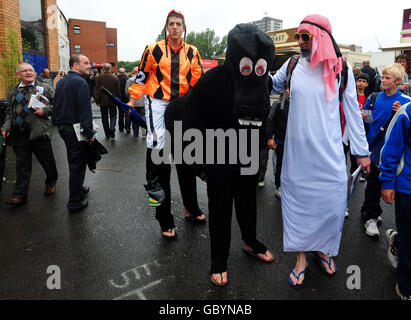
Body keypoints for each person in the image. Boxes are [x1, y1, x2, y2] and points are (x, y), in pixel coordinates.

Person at [271, 14, 371, 288]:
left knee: (333, 205)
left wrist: (362, 153)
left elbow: (352, 112)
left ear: (322, 38)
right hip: (297, 155)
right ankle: (302, 258)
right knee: (298, 206)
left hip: (330, 154)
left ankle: (324, 250)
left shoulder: (343, 70)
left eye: (305, 37)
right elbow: (268, 86)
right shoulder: (292, 65)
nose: (299, 42)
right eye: (298, 36)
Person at [128, 10, 204, 238]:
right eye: (171, 24)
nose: (174, 27)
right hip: (158, 102)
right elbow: (141, 76)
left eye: (178, 24)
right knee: (159, 149)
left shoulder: (192, 51)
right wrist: (132, 100)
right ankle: (164, 218)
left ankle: (191, 206)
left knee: (187, 153)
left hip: (183, 103)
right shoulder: (153, 49)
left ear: (183, 27)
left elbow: (199, 79)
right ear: (166, 27)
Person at [360, 63, 411, 237]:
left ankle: (375, 213)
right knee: (373, 186)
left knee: (393, 190)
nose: (383, 80)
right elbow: (366, 122)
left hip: (395, 156)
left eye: (387, 78)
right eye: (382, 77)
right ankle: (371, 217)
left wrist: (399, 112)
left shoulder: (406, 103)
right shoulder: (373, 98)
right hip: (373, 151)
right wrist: (362, 117)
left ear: (397, 81)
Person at [1, 62, 58, 207]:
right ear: (18, 74)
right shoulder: (13, 91)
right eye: (24, 71)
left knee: (47, 162)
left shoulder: (44, 88)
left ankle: (51, 182)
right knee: (22, 165)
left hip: (39, 132)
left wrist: (44, 111)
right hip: (19, 134)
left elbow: (57, 105)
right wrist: (6, 127)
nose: (28, 72)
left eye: (31, 70)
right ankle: (19, 195)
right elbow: (9, 112)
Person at [53, 54, 95, 214]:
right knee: (77, 164)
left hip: (64, 129)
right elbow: (85, 112)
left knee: (75, 161)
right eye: (85, 63)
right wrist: (89, 133)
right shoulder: (81, 83)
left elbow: (56, 105)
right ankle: (74, 203)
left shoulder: (62, 81)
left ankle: (78, 188)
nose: (89, 65)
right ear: (75, 65)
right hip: (76, 130)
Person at [379, 100, 411, 300]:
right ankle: (406, 287)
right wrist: (387, 182)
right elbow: (391, 148)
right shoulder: (406, 112)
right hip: (408, 189)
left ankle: (396, 240)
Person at [265, 89, 290, 199]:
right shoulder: (278, 103)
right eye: (288, 88)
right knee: (279, 165)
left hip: (295, 143)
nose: (290, 91)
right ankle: (278, 186)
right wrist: (270, 137)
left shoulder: (300, 103)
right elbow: (270, 120)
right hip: (281, 140)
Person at [95, 63, 120, 140]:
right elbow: (118, 91)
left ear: (103, 69)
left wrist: (97, 100)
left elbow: (97, 91)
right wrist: (118, 101)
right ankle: (112, 128)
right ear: (110, 69)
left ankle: (107, 134)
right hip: (113, 100)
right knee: (113, 116)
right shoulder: (115, 77)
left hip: (102, 101)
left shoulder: (99, 78)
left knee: (104, 117)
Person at [125, 67, 144, 136]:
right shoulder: (145, 79)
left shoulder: (130, 80)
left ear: (133, 72)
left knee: (135, 118)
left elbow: (127, 92)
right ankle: (144, 127)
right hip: (143, 102)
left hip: (133, 102)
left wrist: (130, 99)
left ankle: (136, 132)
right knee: (143, 116)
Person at [117, 68, 129, 133]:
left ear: (119, 72)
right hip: (127, 99)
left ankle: (121, 127)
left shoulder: (117, 79)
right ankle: (127, 128)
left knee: (120, 114)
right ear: (124, 72)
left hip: (119, 99)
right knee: (127, 113)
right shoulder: (127, 79)